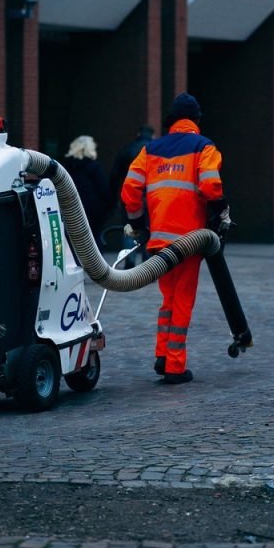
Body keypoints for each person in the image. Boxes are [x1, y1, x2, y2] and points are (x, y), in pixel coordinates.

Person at [121, 93, 229, 385]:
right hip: (189, 239)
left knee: (167, 299)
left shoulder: (150, 149)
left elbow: (130, 188)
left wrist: (137, 224)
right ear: (196, 121)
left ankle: (161, 356)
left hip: (159, 240)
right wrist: (220, 210)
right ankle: (175, 366)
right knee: (182, 301)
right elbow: (210, 184)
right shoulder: (203, 146)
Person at [63, 135, 112, 248]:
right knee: (94, 242)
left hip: (71, 209)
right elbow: (103, 189)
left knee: (74, 241)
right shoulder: (94, 167)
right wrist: (109, 206)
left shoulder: (67, 167)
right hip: (93, 211)